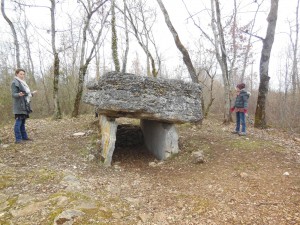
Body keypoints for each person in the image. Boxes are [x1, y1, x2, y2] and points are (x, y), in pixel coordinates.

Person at [11, 69, 36, 144]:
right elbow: (13, 94)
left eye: (23, 74)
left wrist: (32, 93)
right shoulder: (14, 82)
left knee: (23, 122)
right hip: (19, 106)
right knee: (18, 122)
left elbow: (26, 94)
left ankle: (24, 137)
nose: (22, 76)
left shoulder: (23, 83)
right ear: (17, 74)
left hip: (25, 105)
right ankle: (18, 140)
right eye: (20, 74)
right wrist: (18, 94)